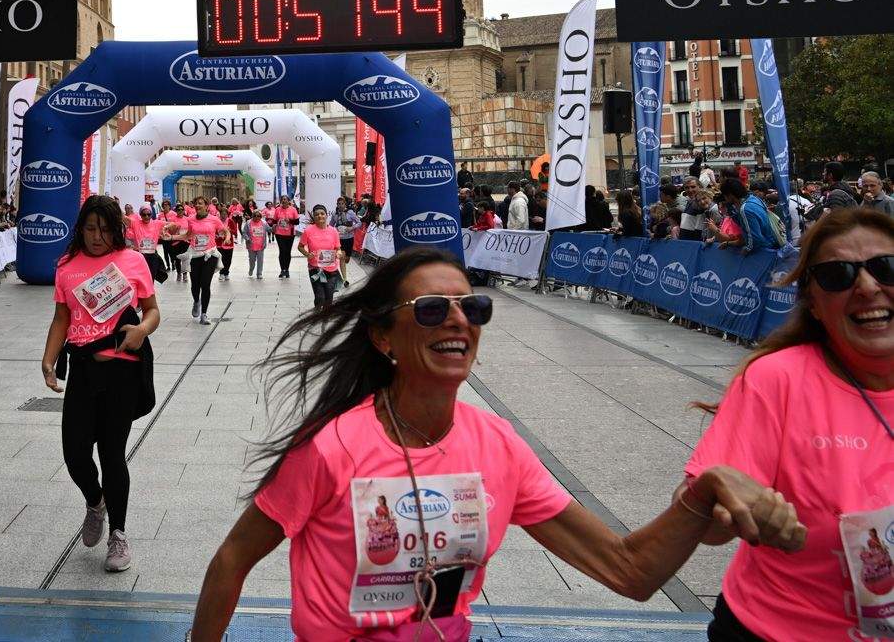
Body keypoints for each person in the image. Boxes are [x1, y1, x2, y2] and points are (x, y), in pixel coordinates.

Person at [187, 247, 805, 642]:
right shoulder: (331, 448)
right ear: (383, 337)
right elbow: (231, 560)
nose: (457, 321)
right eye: (431, 310)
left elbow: (629, 570)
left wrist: (707, 490)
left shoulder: (498, 446)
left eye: (472, 307)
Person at [686, 208, 894, 640]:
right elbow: (705, 518)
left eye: (885, 267)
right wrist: (718, 501)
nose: (868, 287)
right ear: (813, 304)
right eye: (838, 275)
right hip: (777, 631)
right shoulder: (775, 379)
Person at [41, 196, 160, 574]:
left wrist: (142, 329)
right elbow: (61, 317)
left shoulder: (133, 261)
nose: (97, 237)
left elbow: (152, 310)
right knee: (75, 454)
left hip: (122, 370)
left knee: (112, 455)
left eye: (105, 230)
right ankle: (95, 502)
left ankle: (119, 535)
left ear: (116, 230)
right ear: (80, 229)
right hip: (82, 369)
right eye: (90, 229)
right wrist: (48, 359)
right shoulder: (67, 266)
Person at [174, 197, 224, 325]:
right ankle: (197, 301)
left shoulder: (214, 219)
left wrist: (227, 237)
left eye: (200, 203)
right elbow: (187, 235)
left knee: (205, 284)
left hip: (210, 254)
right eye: (196, 203)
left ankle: (204, 314)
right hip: (195, 255)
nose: (197, 205)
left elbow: (224, 230)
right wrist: (172, 237)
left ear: (206, 206)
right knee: (195, 285)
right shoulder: (190, 219)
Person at [717, 178, 782, 255]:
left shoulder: (745, 209)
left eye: (725, 195)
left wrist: (746, 250)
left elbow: (754, 238)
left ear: (730, 195)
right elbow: (744, 227)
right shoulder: (754, 199)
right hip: (772, 246)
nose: (725, 199)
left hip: (764, 251)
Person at [298, 205, 344, 308]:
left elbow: (338, 248)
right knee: (320, 297)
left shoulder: (333, 231)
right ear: (314, 217)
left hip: (331, 269)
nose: (320, 216)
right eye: (317, 214)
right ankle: (317, 314)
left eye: (322, 214)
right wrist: (307, 254)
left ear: (326, 215)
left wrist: (339, 253)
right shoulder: (308, 231)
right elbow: (300, 247)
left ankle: (325, 318)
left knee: (329, 297)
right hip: (315, 269)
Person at [272, 197, 300, 279]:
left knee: (288, 252)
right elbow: (274, 220)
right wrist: (273, 225)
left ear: (288, 201)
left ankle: (286, 269)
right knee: (282, 250)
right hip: (279, 233)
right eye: (282, 199)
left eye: (285, 199)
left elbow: (297, 222)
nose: (283, 200)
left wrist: (290, 221)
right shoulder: (277, 209)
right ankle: (282, 269)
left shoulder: (293, 209)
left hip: (290, 234)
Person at [332, 196, 359, 263]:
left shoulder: (350, 212)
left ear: (345, 204)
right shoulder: (334, 214)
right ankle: (341, 270)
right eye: (339, 204)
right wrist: (335, 229)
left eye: (342, 203)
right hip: (339, 239)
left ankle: (343, 265)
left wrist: (352, 227)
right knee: (341, 258)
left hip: (349, 238)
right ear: (337, 205)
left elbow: (359, 222)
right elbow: (331, 225)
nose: (340, 205)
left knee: (347, 259)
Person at [245, 209, 269, 279]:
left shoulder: (264, 223)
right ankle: (251, 269)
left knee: (260, 260)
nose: (256, 217)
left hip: (261, 245)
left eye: (258, 216)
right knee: (252, 260)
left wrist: (274, 227)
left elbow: (269, 229)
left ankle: (259, 273)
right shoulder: (248, 223)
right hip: (251, 245)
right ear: (252, 216)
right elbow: (244, 232)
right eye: (255, 216)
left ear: (260, 216)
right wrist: (247, 239)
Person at [216, 212, 236, 281]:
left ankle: (226, 273)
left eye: (225, 214)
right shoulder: (217, 221)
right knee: (222, 259)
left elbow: (235, 231)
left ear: (227, 215)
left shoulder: (230, 221)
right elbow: (214, 230)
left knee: (228, 260)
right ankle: (221, 273)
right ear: (220, 215)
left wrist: (230, 230)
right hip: (219, 243)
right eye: (222, 214)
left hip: (229, 243)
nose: (223, 216)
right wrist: (217, 235)